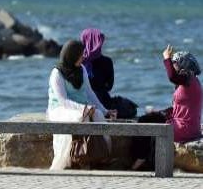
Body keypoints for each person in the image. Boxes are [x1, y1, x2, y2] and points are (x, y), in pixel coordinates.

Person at [47, 40, 117, 170]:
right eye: (80, 54)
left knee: (99, 115)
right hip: (61, 109)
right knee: (80, 118)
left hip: (82, 106)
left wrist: (104, 110)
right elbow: (62, 100)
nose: (83, 57)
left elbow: (90, 93)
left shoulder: (82, 69)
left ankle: (103, 155)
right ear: (72, 55)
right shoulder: (57, 74)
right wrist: (83, 109)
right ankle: (76, 159)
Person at [131, 45, 203, 170]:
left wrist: (166, 58)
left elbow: (172, 76)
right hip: (182, 124)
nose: (173, 66)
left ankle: (146, 161)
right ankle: (143, 158)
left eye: (175, 63)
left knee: (150, 127)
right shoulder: (189, 82)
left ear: (182, 65)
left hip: (183, 128)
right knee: (146, 119)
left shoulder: (188, 78)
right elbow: (179, 108)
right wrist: (160, 112)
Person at [80, 28, 137, 119]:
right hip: (103, 103)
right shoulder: (107, 61)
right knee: (130, 107)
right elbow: (109, 86)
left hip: (81, 103)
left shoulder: (78, 62)